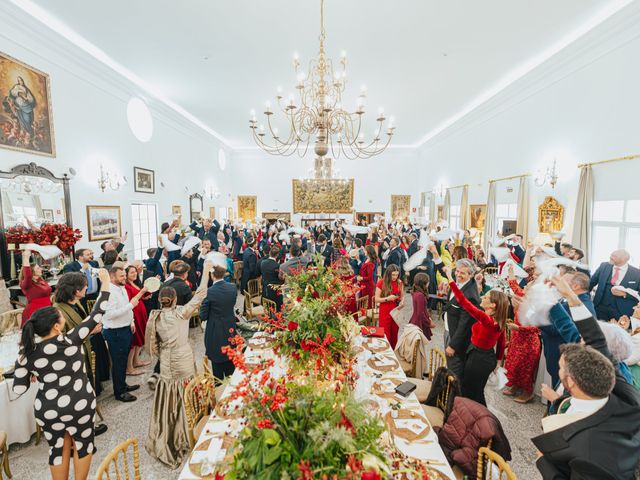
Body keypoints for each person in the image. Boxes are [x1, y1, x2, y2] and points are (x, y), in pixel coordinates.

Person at [533, 276, 640, 479]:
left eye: (561, 367)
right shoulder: (626, 395)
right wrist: (570, 296)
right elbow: (596, 339)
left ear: (571, 381)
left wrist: (542, 461)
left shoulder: (589, 449)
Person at [12, 268, 111, 480]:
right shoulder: (71, 340)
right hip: (79, 404)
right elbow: (97, 314)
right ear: (57, 327)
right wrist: (106, 283)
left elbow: (19, 388)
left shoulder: (26, 353)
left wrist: (34, 372)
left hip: (48, 409)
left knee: (57, 449)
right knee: (83, 445)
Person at [144, 260, 211, 468]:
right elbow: (201, 294)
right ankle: (189, 430)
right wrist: (206, 272)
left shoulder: (154, 317)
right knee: (187, 390)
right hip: (182, 359)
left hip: (165, 361)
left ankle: (169, 433)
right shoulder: (181, 313)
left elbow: (152, 346)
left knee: (168, 397)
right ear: (174, 300)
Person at [440, 264, 507, 406]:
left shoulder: (487, 320)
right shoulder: (499, 320)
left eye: (486, 297)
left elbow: (464, 302)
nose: (482, 296)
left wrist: (450, 279)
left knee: (471, 391)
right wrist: (499, 360)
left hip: (478, 359)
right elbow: (501, 341)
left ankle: (477, 416)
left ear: (492, 305)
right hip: (486, 357)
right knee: (476, 390)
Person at [52, 272, 108, 436]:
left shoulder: (75, 303)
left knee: (88, 389)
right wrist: (90, 332)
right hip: (74, 360)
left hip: (85, 353)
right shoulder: (59, 312)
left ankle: (89, 423)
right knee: (80, 394)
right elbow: (64, 340)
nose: (87, 288)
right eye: (84, 286)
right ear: (76, 290)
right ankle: (84, 429)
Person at [431, 245, 480, 382]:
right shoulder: (459, 278)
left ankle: (455, 398)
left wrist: (453, 345)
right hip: (448, 328)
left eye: (462, 273)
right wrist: (435, 253)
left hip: (457, 338)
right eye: (457, 271)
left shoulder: (470, 295)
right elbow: (444, 271)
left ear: (471, 275)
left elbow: (465, 325)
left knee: (455, 370)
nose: (458, 275)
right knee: (449, 365)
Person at [102, 265, 147, 402]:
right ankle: (120, 393)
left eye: (124, 275)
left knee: (122, 361)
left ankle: (123, 385)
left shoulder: (121, 288)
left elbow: (125, 305)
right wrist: (131, 305)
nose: (124, 278)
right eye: (121, 276)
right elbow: (109, 315)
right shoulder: (108, 292)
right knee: (119, 363)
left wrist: (131, 321)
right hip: (115, 332)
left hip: (125, 328)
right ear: (111, 277)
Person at [502, 265, 541, 403]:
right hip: (517, 338)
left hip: (529, 341)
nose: (522, 290)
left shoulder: (538, 305)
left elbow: (537, 328)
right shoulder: (523, 297)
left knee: (525, 368)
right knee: (513, 363)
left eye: (526, 288)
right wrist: (511, 271)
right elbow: (514, 286)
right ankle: (514, 385)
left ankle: (527, 393)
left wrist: (518, 329)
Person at [201, 254, 239, 381]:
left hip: (215, 329)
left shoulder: (209, 291)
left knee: (217, 370)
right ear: (224, 274)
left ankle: (219, 388)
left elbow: (203, 315)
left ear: (212, 276)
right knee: (231, 360)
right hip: (230, 324)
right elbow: (232, 304)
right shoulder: (233, 288)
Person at [590, 249, 640, 320]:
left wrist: (625, 294)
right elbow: (591, 282)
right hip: (600, 306)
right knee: (598, 329)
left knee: (618, 330)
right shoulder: (604, 266)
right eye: (611, 255)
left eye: (614, 256)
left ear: (624, 259)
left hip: (622, 311)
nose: (610, 257)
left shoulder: (637, 273)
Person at [124, 265, 151, 375]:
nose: (134, 274)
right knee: (135, 341)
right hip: (134, 314)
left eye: (135, 272)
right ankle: (129, 368)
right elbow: (131, 300)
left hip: (141, 312)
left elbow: (140, 296)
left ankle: (136, 361)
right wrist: (142, 292)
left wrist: (145, 295)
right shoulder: (126, 286)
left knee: (140, 338)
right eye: (131, 272)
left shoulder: (134, 283)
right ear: (126, 275)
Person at [20, 249, 52, 327]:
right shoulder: (27, 284)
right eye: (38, 268)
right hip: (34, 312)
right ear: (32, 271)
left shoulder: (40, 279)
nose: (41, 269)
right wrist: (26, 258)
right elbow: (27, 275)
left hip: (47, 310)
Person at [375, 264, 403, 349]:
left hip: (395, 312)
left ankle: (392, 354)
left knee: (394, 334)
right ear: (388, 274)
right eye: (393, 275)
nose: (395, 277)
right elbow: (376, 299)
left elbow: (402, 296)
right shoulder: (381, 283)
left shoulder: (399, 282)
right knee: (385, 334)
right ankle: (384, 352)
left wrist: (402, 302)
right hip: (385, 311)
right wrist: (388, 298)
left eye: (397, 275)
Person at [409, 272, 434, 340]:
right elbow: (420, 313)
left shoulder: (416, 293)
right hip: (419, 323)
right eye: (428, 282)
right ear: (424, 283)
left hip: (416, 320)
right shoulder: (420, 295)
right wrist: (428, 323)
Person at [259, 244, 283, 311]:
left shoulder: (263, 262)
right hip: (274, 292)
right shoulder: (277, 266)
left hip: (265, 289)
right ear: (277, 255)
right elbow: (279, 279)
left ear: (269, 253)